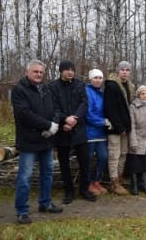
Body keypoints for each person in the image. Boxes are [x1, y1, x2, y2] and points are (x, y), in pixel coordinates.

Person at [11, 60, 63, 224]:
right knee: (25, 177)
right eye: (35, 71)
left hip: (47, 140)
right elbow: (24, 114)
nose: (39, 74)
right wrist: (47, 125)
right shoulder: (19, 90)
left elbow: (56, 108)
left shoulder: (46, 89)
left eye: (41, 72)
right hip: (29, 141)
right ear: (27, 72)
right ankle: (22, 211)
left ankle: (45, 203)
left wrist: (54, 124)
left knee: (47, 173)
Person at [49, 60, 96, 204]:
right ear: (61, 71)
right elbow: (53, 107)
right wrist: (64, 120)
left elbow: (84, 103)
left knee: (84, 161)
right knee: (64, 163)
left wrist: (75, 118)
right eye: (67, 69)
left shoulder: (80, 85)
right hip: (62, 130)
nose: (70, 72)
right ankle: (69, 191)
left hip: (79, 129)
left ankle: (84, 189)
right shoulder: (52, 87)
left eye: (72, 69)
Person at [103, 61, 135, 195]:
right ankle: (113, 181)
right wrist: (119, 127)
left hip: (125, 127)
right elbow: (110, 109)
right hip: (115, 128)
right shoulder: (112, 86)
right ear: (118, 71)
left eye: (127, 70)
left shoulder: (129, 86)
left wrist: (127, 127)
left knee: (123, 153)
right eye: (122, 70)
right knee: (114, 154)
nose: (125, 72)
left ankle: (120, 177)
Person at [127, 85, 146, 195]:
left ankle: (145, 184)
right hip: (137, 137)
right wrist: (133, 141)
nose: (145, 96)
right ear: (139, 95)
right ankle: (134, 185)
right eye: (142, 94)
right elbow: (132, 125)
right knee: (135, 163)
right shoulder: (133, 106)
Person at [86, 69, 109, 196]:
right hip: (89, 133)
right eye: (95, 77)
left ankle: (97, 181)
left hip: (101, 133)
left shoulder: (101, 92)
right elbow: (88, 114)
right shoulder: (87, 92)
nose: (98, 80)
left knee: (103, 157)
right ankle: (88, 182)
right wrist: (103, 122)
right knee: (88, 159)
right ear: (90, 79)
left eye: (100, 78)